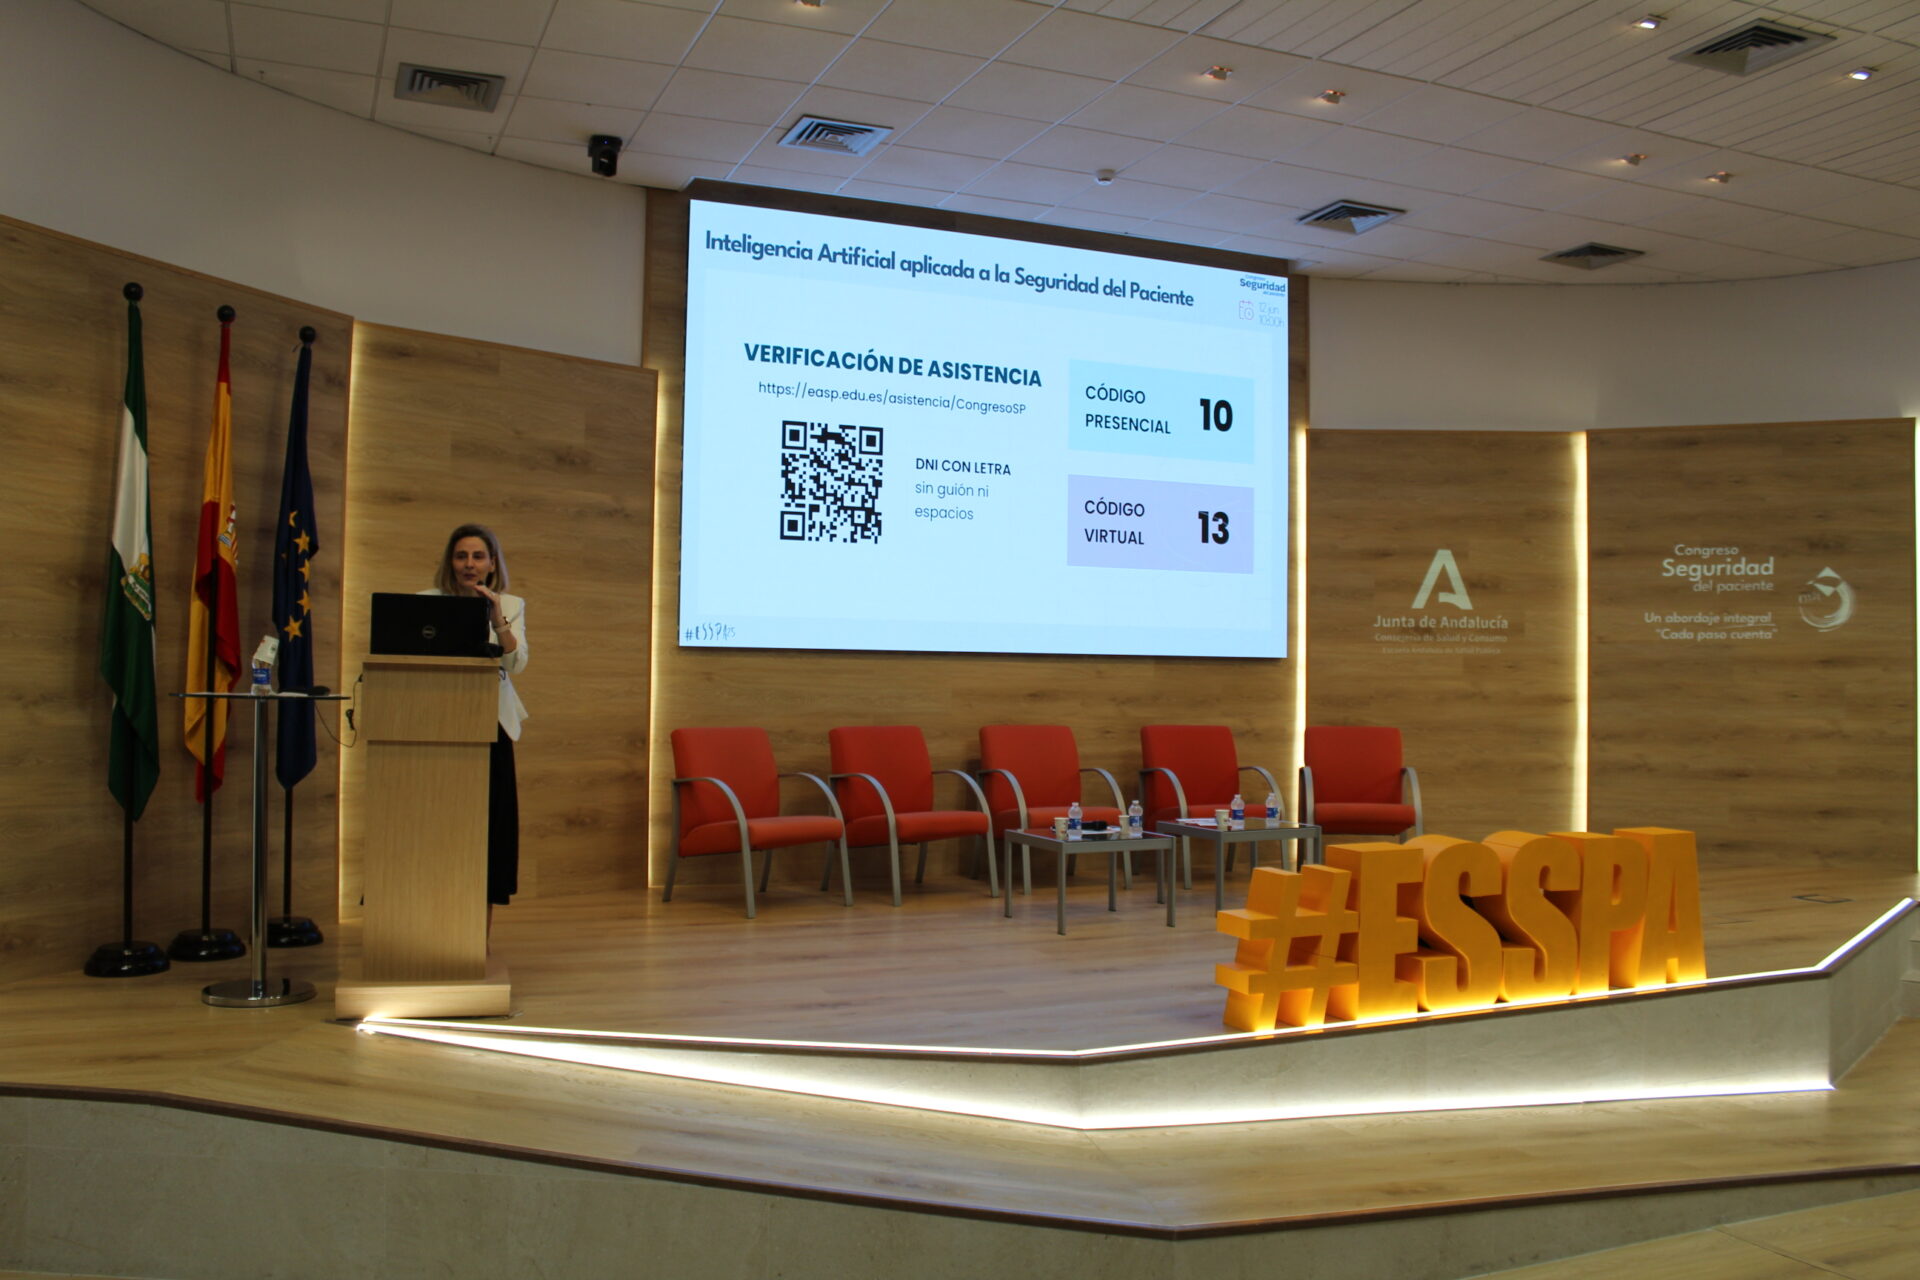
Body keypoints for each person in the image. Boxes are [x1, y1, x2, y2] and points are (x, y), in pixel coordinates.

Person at [427, 523, 528, 914]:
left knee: (489, 830)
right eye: (461, 556)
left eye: (478, 556)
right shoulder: (426, 601)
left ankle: (477, 933)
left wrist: (497, 618)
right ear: (450, 562)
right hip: (437, 725)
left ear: (491, 564)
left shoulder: (510, 603)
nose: (469, 564)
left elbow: (515, 664)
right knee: (443, 827)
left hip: (490, 723)